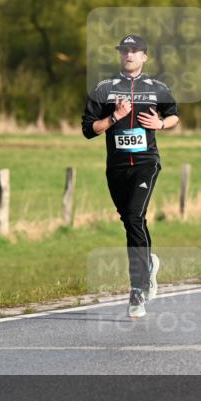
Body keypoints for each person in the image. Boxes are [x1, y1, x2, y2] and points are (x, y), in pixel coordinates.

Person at [81, 34, 180, 318]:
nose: (129, 55)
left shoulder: (157, 88)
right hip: (117, 167)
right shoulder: (104, 89)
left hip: (146, 162)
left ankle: (137, 290)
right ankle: (147, 265)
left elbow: (174, 115)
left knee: (135, 216)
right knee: (130, 220)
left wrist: (160, 123)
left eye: (134, 51)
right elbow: (89, 129)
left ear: (144, 56)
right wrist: (114, 117)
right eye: (125, 51)